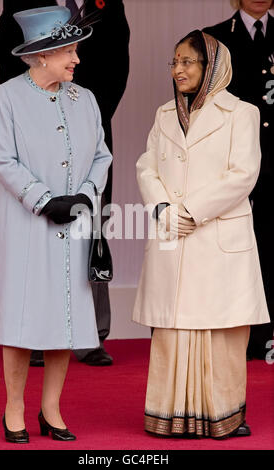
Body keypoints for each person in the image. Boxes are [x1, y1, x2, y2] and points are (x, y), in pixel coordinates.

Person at [133, 30, 270, 439]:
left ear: (210, 66)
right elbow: (146, 166)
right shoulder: (163, 114)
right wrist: (162, 208)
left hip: (216, 238)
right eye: (174, 62)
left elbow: (243, 175)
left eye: (187, 61)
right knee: (174, 330)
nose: (177, 69)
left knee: (220, 333)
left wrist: (192, 212)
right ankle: (169, 416)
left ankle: (223, 415)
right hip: (173, 234)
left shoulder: (241, 113)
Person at [0, 6, 112, 443]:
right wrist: (44, 200)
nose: (76, 59)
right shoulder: (7, 97)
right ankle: (14, 409)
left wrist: (84, 197)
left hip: (74, 225)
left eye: (76, 49)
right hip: (27, 226)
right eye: (69, 50)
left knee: (67, 317)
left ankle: (52, 408)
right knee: (24, 320)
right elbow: (4, 160)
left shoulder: (88, 99)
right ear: (41, 55)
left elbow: (102, 155)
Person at [0, 0, 130, 367]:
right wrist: (32, 107)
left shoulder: (109, 4)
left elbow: (118, 65)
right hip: (31, 132)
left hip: (88, 130)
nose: (78, 56)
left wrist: (87, 115)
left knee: (91, 232)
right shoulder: (20, 5)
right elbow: (5, 60)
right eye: (71, 50)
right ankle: (37, 336)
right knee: (37, 244)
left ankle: (90, 333)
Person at [203, 1, 274, 360]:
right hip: (229, 163)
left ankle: (269, 336)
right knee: (234, 245)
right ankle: (237, 333)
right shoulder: (212, 39)